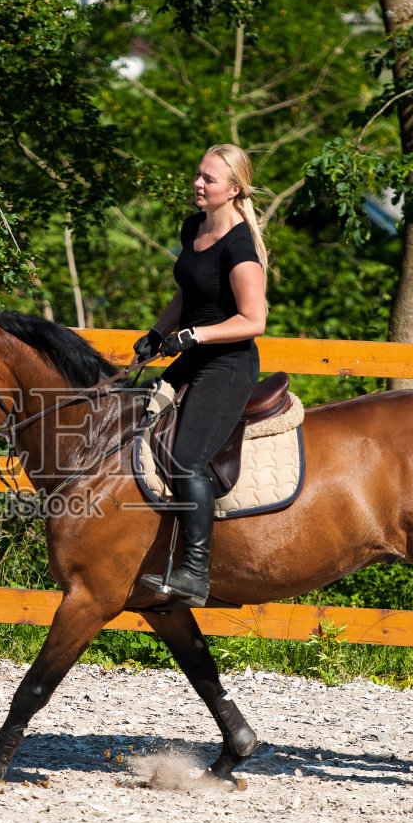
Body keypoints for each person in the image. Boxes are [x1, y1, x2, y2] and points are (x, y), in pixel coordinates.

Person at [131, 144, 269, 609]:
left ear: (233, 189)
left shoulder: (240, 245)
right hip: (192, 352)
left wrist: (194, 336)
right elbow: (186, 290)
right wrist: (158, 331)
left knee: (186, 457)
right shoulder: (194, 227)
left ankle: (194, 572)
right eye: (198, 175)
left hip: (227, 365)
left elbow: (254, 321)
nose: (198, 183)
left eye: (208, 179)